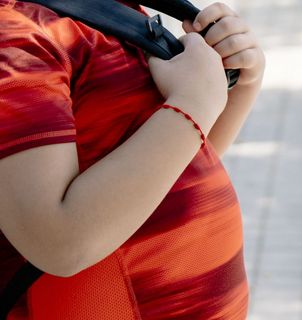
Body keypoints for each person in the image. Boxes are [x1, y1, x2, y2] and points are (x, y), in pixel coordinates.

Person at [0, 0, 265, 318]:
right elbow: (56, 243)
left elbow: (169, 173)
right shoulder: (14, 36)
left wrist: (238, 85)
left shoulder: (99, 9)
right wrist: (195, 100)